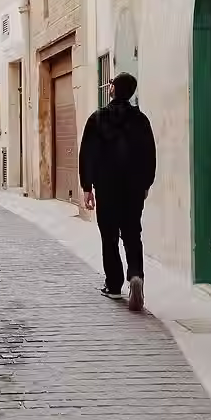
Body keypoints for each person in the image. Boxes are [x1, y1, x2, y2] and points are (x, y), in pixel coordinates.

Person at [78, 72, 156, 312]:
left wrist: (87, 187)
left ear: (113, 89)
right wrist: (145, 184)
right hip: (133, 188)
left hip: (107, 187)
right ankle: (136, 275)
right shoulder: (141, 120)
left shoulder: (98, 119)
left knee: (109, 236)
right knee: (132, 233)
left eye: (111, 83)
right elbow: (149, 155)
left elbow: (87, 154)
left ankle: (113, 285)